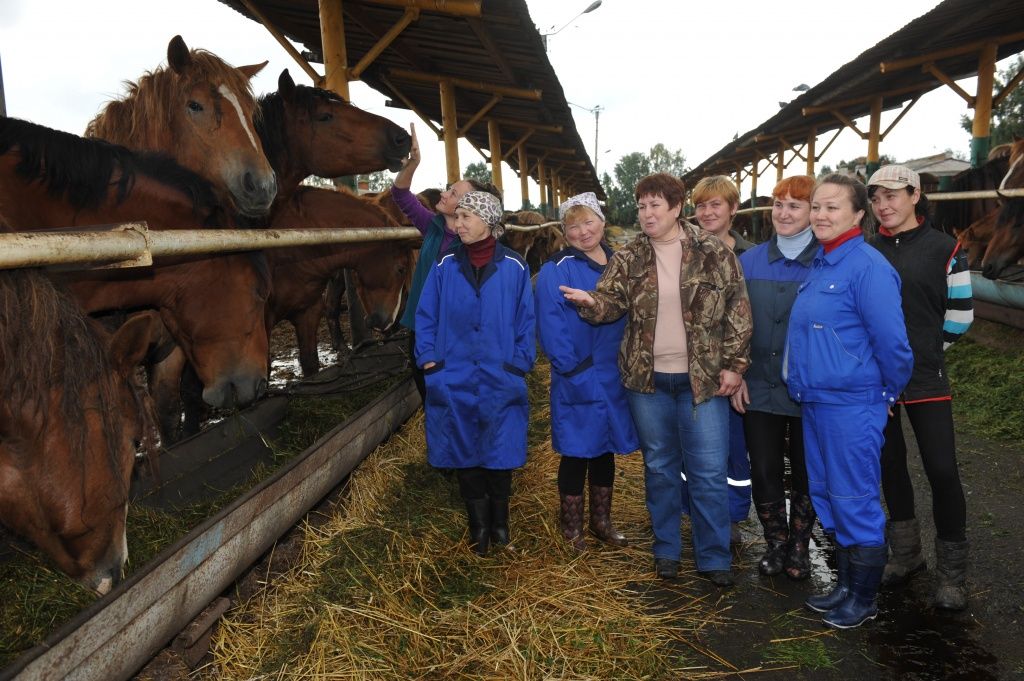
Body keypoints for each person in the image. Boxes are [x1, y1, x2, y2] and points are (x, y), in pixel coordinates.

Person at [559, 173, 752, 587]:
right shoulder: (629, 257)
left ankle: (714, 557)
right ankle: (666, 550)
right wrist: (592, 303)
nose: (646, 213)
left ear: (676, 208)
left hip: (701, 382)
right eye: (641, 206)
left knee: (707, 471)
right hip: (647, 383)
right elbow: (611, 302)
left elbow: (738, 309)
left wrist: (735, 366)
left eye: (654, 206)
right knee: (660, 468)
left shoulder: (713, 251)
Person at [786, 174, 913, 629]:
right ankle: (844, 587)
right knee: (828, 495)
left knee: (854, 498)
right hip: (816, 402)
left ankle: (863, 600)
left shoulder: (867, 267)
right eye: (816, 206)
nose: (820, 215)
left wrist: (883, 394)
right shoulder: (821, 264)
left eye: (832, 207)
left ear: (860, 213)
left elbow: (894, 345)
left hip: (851, 404)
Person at [867, 164, 974, 610]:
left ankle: (952, 573)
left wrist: (928, 350)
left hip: (926, 377)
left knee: (942, 470)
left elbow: (962, 314)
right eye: (875, 198)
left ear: (915, 195)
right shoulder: (868, 250)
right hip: (876, 381)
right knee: (890, 465)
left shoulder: (945, 248)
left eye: (892, 195)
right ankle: (907, 555)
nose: (883, 205)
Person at [415, 191, 534, 558]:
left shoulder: (515, 267)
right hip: (456, 373)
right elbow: (426, 315)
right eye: (457, 217)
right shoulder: (445, 265)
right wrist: (430, 360)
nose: (459, 224)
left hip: (501, 373)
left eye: (466, 216)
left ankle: (501, 526)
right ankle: (478, 529)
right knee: (464, 450)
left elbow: (525, 321)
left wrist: (518, 364)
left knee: (500, 451)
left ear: (488, 221)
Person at [535, 192, 640, 552]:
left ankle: (601, 522)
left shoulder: (619, 262)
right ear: (564, 231)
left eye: (589, 221)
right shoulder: (556, 269)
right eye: (573, 225)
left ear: (602, 220)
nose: (583, 231)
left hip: (615, 373)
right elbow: (550, 324)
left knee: (605, 448)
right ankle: (571, 529)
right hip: (578, 373)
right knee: (577, 451)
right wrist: (571, 368)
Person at [731, 175, 819, 580]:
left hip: (810, 388)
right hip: (759, 384)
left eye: (795, 206)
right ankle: (775, 544)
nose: (783, 213)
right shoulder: (748, 263)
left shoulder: (826, 261)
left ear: (812, 212)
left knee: (806, 469)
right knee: (765, 467)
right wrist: (735, 370)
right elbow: (728, 322)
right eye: (778, 204)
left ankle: (800, 546)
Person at [392, 123, 502, 399]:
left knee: (458, 395)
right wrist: (414, 163)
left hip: (459, 332)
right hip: (422, 327)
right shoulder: (433, 226)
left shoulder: (478, 246)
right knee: (428, 392)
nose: (443, 193)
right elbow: (400, 195)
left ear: (471, 206)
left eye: (453, 193)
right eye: (447, 188)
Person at [691, 175, 755, 544]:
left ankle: (730, 519)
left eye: (716, 204)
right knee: (693, 447)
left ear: (734, 208)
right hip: (693, 370)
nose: (707, 212)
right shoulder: (684, 251)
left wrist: (740, 367)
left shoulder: (752, 256)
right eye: (700, 205)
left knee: (733, 448)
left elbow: (751, 317)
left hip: (734, 372)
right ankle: (694, 514)